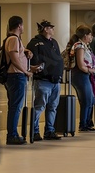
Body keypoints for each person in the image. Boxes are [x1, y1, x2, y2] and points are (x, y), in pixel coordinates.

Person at [26, 20, 64, 141]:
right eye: (51, 28)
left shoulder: (54, 43)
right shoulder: (35, 43)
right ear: (46, 29)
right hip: (43, 80)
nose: (53, 30)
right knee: (39, 106)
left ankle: (49, 130)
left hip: (55, 81)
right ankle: (35, 131)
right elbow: (30, 61)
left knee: (53, 107)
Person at [5, 16, 33, 145]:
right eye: (22, 25)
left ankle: (13, 134)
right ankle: (12, 135)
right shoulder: (13, 39)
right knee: (16, 107)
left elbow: (17, 56)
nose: (23, 28)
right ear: (19, 26)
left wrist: (25, 51)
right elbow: (14, 58)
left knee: (14, 106)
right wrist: (25, 71)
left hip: (16, 75)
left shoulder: (14, 40)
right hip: (16, 76)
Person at [69, 25, 95, 132]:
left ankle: (87, 122)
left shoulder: (85, 46)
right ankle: (83, 124)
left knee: (90, 99)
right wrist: (90, 70)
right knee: (86, 100)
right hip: (80, 75)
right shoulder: (79, 46)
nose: (91, 37)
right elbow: (81, 65)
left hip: (84, 76)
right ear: (85, 35)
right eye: (90, 35)